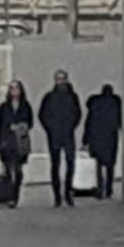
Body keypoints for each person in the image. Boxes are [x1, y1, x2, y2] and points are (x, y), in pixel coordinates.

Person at [39, 70, 84, 208]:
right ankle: (57, 196)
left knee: (71, 163)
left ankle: (68, 192)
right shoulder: (49, 97)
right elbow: (42, 115)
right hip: (54, 135)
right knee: (55, 165)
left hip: (68, 134)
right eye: (58, 79)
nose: (60, 82)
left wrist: (71, 127)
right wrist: (50, 129)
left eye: (62, 79)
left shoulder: (72, 97)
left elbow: (78, 114)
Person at [0, 81, 36, 208]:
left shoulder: (26, 106)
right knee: (8, 171)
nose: (14, 90)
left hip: (20, 142)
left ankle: (15, 196)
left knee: (18, 171)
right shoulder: (3, 107)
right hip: (7, 142)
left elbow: (30, 123)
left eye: (16, 88)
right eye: (11, 88)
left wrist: (20, 127)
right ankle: (9, 197)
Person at [84, 83, 124, 200]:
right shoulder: (115, 104)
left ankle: (100, 188)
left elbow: (89, 122)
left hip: (96, 138)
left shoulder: (95, 104)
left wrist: (85, 139)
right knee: (110, 166)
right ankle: (109, 189)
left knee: (98, 165)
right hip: (111, 139)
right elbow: (118, 122)